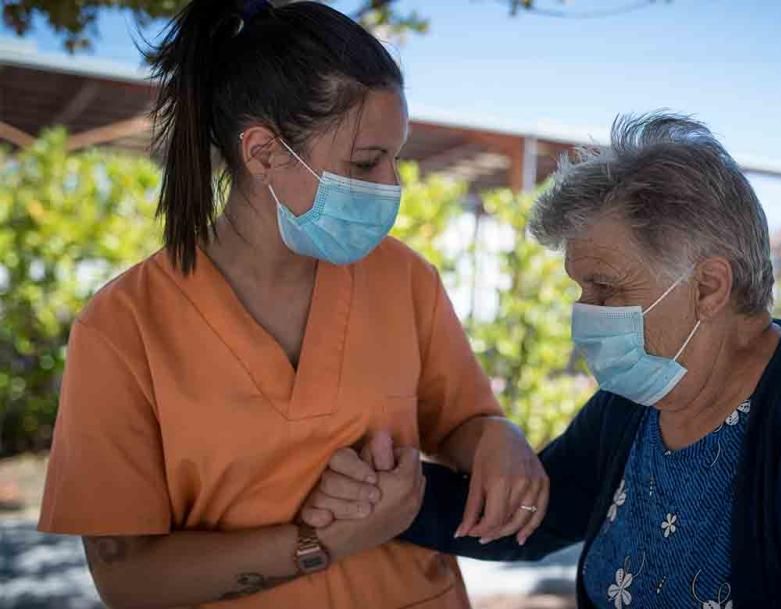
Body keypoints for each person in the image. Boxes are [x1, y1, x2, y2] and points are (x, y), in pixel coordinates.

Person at [303, 112, 781, 608]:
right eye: (579, 287)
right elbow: (527, 515)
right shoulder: (638, 402)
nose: (584, 312)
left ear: (709, 285)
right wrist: (401, 497)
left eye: (607, 287)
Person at [36, 1, 547, 607]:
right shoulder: (122, 328)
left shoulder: (404, 279)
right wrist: (322, 542)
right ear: (263, 154)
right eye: (365, 161)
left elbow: (461, 421)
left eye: (395, 158)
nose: (392, 186)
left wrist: (497, 438)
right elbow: (127, 577)